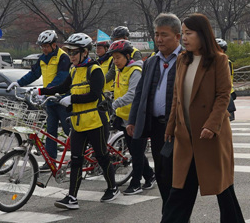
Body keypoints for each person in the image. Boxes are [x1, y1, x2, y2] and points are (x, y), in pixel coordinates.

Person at [155, 13, 244, 223]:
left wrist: (211, 125)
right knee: (180, 185)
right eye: (182, 33)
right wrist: (171, 126)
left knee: (220, 183)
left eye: (188, 33)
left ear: (202, 34)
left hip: (210, 134)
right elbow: (176, 97)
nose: (184, 38)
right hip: (186, 133)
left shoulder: (218, 60)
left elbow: (224, 95)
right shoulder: (183, 60)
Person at [39, 33, 118, 209]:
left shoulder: (94, 70)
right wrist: (40, 92)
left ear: (84, 52)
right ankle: (72, 197)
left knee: (102, 156)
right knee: (75, 160)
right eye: (69, 52)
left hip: (96, 122)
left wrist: (72, 100)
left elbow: (94, 95)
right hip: (79, 123)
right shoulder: (74, 70)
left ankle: (113, 187)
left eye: (74, 52)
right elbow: (62, 87)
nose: (71, 56)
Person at [127, 14, 182, 215]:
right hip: (157, 127)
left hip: (178, 128)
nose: (159, 39)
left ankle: (177, 218)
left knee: (176, 173)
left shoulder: (186, 60)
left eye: (164, 35)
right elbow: (140, 94)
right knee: (161, 172)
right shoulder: (150, 61)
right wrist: (133, 120)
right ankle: (167, 215)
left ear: (177, 36)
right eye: (157, 34)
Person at [16, 30, 71, 161]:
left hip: (62, 99)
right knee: (50, 133)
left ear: (54, 45)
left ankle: (79, 156)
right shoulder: (42, 58)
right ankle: (51, 161)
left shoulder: (63, 57)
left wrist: (44, 91)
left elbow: (61, 79)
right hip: (50, 101)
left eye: (46, 46)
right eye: (42, 46)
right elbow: (34, 74)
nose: (44, 49)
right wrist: (18, 83)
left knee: (69, 130)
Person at [108, 39, 152, 193]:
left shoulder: (135, 71)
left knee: (137, 152)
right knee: (134, 151)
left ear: (127, 56)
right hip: (125, 118)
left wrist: (114, 104)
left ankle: (136, 183)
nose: (115, 61)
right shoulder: (121, 70)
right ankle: (150, 175)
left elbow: (133, 94)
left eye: (118, 57)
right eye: (113, 58)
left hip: (138, 118)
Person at [216, 38, 237, 120]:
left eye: (220, 49)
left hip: (227, 93)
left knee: (226, 121)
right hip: (220, 94)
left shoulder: (226, 61)